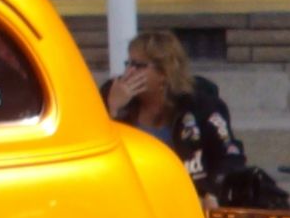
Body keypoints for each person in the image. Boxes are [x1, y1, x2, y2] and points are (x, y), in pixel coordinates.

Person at [104, 30, 243, 206]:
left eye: (139, 66)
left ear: (164, 72)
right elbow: (98, 155)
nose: (128, 72)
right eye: (128, 64)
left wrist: (212, 193)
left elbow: (230, 156)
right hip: (132, 202)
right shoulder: (112, 98)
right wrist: (113, 110)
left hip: (188, 202)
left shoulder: (200, 105)